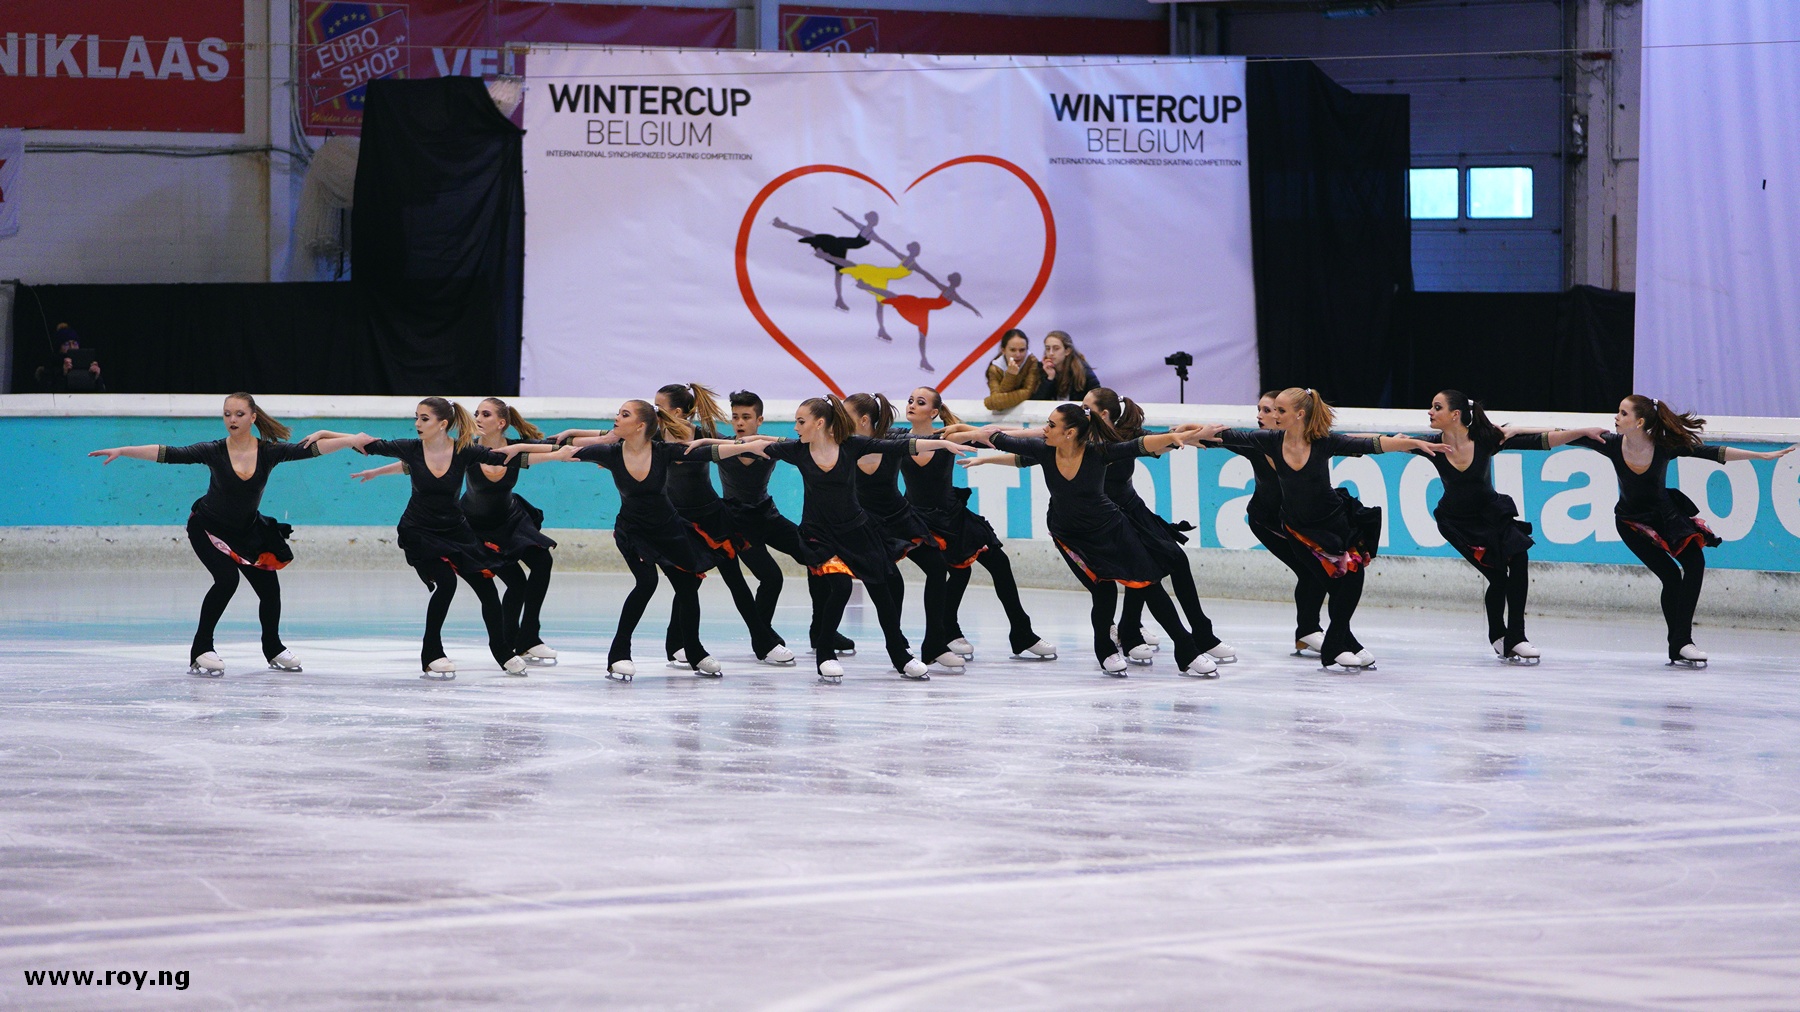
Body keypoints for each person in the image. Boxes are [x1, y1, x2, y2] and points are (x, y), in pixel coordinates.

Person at [88, 393, 362, 677]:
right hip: (208, 528)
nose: (232, 419)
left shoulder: (269, 452)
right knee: (227, 580)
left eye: (239, 414)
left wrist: (349, 440)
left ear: (253, 417)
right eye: (227, 414)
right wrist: (124, 450)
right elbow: (169, 453)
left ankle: (273, 648)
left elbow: (312, 450)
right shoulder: (213, 450)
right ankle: (201, 650)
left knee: (270, 590)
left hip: (247, 532)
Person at [716, 395, 973, 683]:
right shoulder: (797, 450)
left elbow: (900, 445)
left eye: (800, 422)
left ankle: (900, 655)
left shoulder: (851, 445)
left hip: (855, 530)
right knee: (840, 586)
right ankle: (825, 654)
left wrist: (942, 444)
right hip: (818, 535)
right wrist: (706, 445)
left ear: (819, 423)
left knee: (882, 589)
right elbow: (755, 445)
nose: (796, 427)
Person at [1201, 389, 1450, 671]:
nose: (1273, 416)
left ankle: (1337, 641)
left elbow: (1370, 444)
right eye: (1273, 410)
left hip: (1334, 523)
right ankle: (1334, 644)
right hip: (1297, 529)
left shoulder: (1322, 442)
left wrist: (1410, 443)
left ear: (1300, 414)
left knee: (1352, 580)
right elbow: (1225, 436)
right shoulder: (1268, 441)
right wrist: (1185, 433)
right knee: (1332, 582)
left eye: (1280, 411)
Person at [969, 406, 1216, 677]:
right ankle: (1106, 650)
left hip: (1111, 529)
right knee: (1103, 590)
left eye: (1051, 425)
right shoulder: (1043, 449)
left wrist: (1176, 438)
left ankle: (1187, 650)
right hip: (1070, 537)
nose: (1045, 429)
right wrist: (949, 436)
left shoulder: (1099, 452)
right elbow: (997, 438)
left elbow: (1139, 445)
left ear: (1070, 433)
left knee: (1148, 584)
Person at [1573, 395, 1794, 666]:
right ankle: (1679, 643)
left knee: (1695, 563)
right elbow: (1559, 438)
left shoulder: (1663, 446)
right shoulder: (1609, 443)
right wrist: (1525, 431)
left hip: (1666, 518)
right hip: (1631, 523)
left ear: (1639, 422)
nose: (1616, 417)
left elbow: (1712, 452)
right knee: (1670, 576)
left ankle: (1682, 643)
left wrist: (1760, 455)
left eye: (1623, 413)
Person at [533, 401, 744, 680]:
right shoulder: (610, 452)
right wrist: (510, 450)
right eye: (619, 413)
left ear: (640, 425)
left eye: (624, 414)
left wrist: (750, 446)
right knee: (647, 583)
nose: (616, 418)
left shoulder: (663, 451)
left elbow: (711, 452)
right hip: (633, 532)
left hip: (668, 529)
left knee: (687, 586)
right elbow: (560, 450)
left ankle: (695, 651)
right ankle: (619, 654)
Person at [324, 399, 533, 679]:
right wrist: (327, 434)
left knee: (487, 587)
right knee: (446, 583)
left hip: (456, 532)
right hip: (420, 532)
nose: (417, 424)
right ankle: (431, 653)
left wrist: (559, 452)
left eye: (424, 419)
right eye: (417, 418)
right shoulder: (410, 448)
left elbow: (509, 456)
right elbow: (366, 444)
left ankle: (502, 651)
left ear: (442, 424)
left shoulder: (463, 451)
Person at [1415, 390, 1602, 663]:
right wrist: (1345, 441)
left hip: (1491, 515)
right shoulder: (1429, 444)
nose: (1430, 412)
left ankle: (1516, 636)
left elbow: (1543, 440)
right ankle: (1498, 636)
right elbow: (1385, 442)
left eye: (1436, 407)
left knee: (1520, 556)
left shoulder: (1485, 439)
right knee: (1498, 577)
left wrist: (1581, 431)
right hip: (1456, 523)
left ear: (1455, 415)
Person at [1083, 388, 1235, 668]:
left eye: (1086, 407)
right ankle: (1132, 632)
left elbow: (1163, 441)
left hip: (1132, 510)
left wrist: (1189, 433)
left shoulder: (1125, 435)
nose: (1081, 411)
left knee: (1176, 559)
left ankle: (1199, 632)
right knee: (1142, 570)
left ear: (1103, 414)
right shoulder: (1081, 439)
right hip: (1104, 519)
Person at [901, 386, 1055, 661]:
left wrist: (1041, 432)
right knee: (956, 572)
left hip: (953, 517)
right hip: (918, 521)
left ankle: (1021, 632)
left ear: (934, 412)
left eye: (920, 402)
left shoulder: (949, 437)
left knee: (998, 563)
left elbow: (994, 436)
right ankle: (947, 631)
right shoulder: (898, 440)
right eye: (910, 400)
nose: (912, 405)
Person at [655, 382, 794, 666]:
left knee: (736, 582)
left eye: (659, 407)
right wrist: (572, 439)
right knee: (687, 585)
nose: (654, 411)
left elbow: (743, 446)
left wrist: (764, 441)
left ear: (677, 412)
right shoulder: (653, 437)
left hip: (713, 519)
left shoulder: (702, 436)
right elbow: (612, 440)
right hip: (680, 522)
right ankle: (676, 644)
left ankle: (764, 642)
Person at [713, 390, 857, 659]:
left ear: (760, 420)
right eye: (735, 417)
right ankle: (762, 637)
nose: (740, 422)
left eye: (746, 417)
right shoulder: (722, 447)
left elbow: (799, 443)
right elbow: (693, 440)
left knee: (816, 557)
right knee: (772, 578)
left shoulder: (771, 448)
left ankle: (820, 631)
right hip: (738, 524)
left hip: (767, 515)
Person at [845, 392, 961, 672]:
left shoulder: (892, 439)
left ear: (863, 420)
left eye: (845, 416)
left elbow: (919, 440)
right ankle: (896, 644)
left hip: (900, 517)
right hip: (868, 525)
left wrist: (948, 440)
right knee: (892, 582)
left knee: (937, 566)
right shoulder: (841, 445)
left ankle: (934, 643)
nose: (839, 421)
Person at [984, 329, 1044, 413]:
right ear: (1003, 350)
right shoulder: (995, 369)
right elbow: (997, 403)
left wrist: (990, 402)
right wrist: (1010, 375)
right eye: (1013, 350)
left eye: (1022, 350)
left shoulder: (1032, 362)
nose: (1018, 355)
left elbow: (1028, 393)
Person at [1030, 330, 1100, 402]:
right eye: (1048, 348)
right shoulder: (1041, 369)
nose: (1051, 353)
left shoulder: (1083, 371)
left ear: (1067, 351)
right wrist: (1049, 379)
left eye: (1056, 348)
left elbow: (1098, 400)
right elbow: (1035, 403)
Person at [37, 324, 105, 393]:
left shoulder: (86, 365)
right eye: (66, 344)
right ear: (59, 347)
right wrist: (63, 375)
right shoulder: (50, 368)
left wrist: (96, 378)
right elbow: (48, 393)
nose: (71, 347)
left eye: (74, 343)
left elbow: (99, 394)